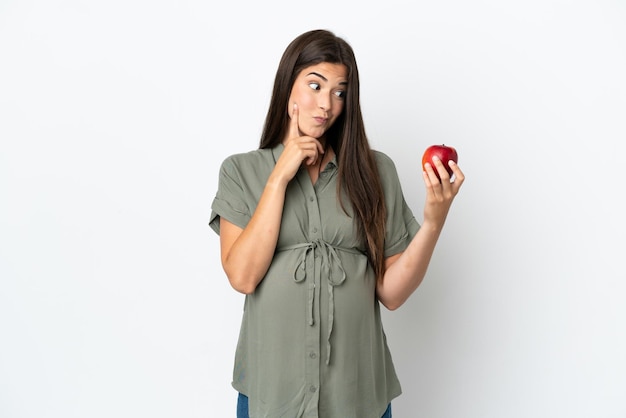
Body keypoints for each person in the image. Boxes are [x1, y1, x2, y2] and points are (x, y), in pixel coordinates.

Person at [209, 29, 464, 418]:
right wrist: (279, 176)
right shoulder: (242, 171)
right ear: (288, 87)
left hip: (356, 396)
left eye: (340, 92)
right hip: (271, 394)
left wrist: (433, 221)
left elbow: (392, 293)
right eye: (315, 85)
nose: (326, 104)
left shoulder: (375, 172)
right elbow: (242, 276)